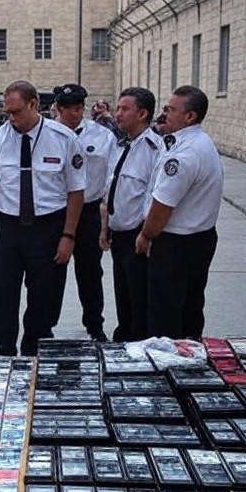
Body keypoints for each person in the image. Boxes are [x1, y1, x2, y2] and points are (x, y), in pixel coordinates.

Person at [0, 79, 85, 356]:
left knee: (42, 294)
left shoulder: (64, 139)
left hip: (48, 227)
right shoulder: (3, 135)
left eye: (16, 111)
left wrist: (68, 236)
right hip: (9, 226)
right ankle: (4, 349)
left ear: (34, 105)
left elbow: (76, 192)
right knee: (3, 292)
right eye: (6, 112)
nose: (10, 118)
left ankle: (34, 349)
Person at [136, 85, 224, 340]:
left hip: (175, 245)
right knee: (190, 310)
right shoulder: (198, 142)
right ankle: (189, 361)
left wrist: (146, 235)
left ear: (190, 117)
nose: (164, 114)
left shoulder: (185, 154)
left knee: (165, 315)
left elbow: (162, 207)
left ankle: (168, 368)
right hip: (199, 239)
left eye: (170, 110)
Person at [52, 83, 114, 342]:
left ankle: (95, 325)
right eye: (69, 109)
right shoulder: (46, 135)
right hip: (56, 211)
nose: (75, 113)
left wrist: (105, 221)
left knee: (90, 273)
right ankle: (46, 324)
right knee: (52, 272)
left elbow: (111, 178)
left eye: (79, 108)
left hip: (88, 211)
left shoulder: (102, 136)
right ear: (57, 109)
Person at [99, 87, 159, 341]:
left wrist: (146, 234)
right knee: (123, 294)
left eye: (125, 109)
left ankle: (138, 344)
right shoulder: (123, 145)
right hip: (119, 234)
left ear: (142, 114)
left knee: (140, 299)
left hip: (139, 236)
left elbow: (153, 197)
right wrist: (105, 227)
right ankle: (124, 339)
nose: (118, 114)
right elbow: (112, 190)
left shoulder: (154, 150)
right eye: (118, 108)